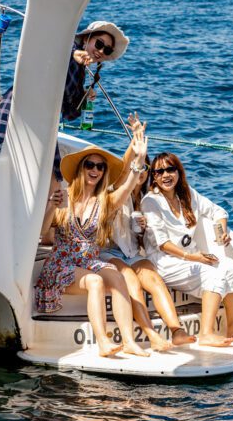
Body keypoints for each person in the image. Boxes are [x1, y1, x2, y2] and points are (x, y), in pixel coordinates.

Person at [35, 128, 150, 358]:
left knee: (117, 277)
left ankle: (128, 340)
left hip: (88, 262)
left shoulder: (104, 202)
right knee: (96, 282)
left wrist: (138, 158)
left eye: (100, 166)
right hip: (61, 265)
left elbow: (127, 186)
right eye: (90, 165)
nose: (95, 170)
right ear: (81, 168)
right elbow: (43, 232)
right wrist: (50, 206)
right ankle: (103, 342)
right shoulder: (64, 196)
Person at [142, 152, 233, 347]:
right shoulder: (151, 201)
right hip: (165, 260)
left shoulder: (186, 194)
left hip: (191, 257)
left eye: (170, 169)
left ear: (179, 171)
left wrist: (222, 231)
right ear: (154, 177)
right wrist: (192, 257)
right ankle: (206, 334)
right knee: (213, 274)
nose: (166, 175)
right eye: (159, 171)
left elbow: (218, 211)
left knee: (230, 266)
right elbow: (162, 243)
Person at [0, 20, 129, 186]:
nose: (100, 51)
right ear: (86, 39)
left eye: (106, 50)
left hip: (41, 120)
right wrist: (71, 54)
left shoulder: (81, 72)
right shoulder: (69, 51)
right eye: (99, 44)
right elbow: (50, 52)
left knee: (51, 176)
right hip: (17, 109)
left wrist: (83, 97)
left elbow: (69, 114)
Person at [100, 124, 196, 350]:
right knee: (131, 281)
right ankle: (151, 334)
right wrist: (135, 143)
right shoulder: (117, 189)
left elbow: (142, 239)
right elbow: (125, 170)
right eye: (138, 168)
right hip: (107, 251)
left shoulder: (146, 198)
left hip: (132, 251)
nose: (140, 172)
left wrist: (142, 230)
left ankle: (177, 331)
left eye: (145, 169)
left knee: (153, 279)